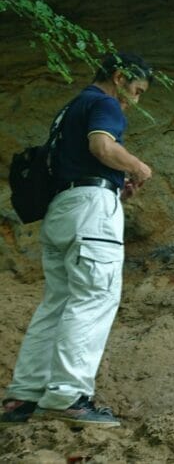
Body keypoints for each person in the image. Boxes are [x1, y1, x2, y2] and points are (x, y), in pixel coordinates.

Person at [2, 53, 155, 428]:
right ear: (119, 77)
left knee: (57, 303)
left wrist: (114, 187)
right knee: (94, 296)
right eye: (135, 90)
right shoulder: (104, 102)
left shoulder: (71, 108)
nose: (134, 100)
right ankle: (68, 396)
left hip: (62, 210)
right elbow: (102, 147)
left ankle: (24, 396)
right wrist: (136, 167)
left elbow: (81, 165)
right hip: (88, 212)